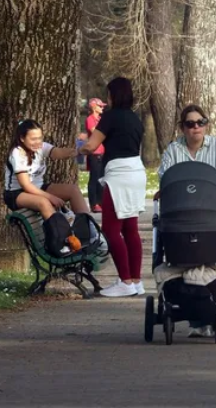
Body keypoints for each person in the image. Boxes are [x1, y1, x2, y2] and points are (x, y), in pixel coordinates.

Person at [159, 104, 216, 337]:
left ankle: (214, 313)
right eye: (190, 124)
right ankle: (197, 318)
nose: (196, 128)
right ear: (183, 128)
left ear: (206, 124)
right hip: (181, 214)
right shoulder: (174, 150)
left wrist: (209, 189)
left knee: (214, 260)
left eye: (200, 122)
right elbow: (165, 176)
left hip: (211, 213)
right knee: (182, 261)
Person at [80, 77, 146, 298]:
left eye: (108, 95)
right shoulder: (135, 119)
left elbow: (92, 144)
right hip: (137, 171)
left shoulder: (110, 117)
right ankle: (136, 280)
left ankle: (125, 281)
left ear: (114, 95)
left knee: (110, 228)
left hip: (119, 173)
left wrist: (77, 150)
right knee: (130, 228)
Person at [4, 120, 90, 219]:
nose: (38, 142)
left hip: (38, 188)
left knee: (73, 190)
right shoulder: (17, 153)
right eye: (33, 139)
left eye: (40, 138)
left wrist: (77, 151)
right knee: (43, 202)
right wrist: (50, 197)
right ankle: (61, 232)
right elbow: (26, 185)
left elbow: (57, 152)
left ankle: (88, 229)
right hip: (17, 193)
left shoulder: (41, 147)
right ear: (22, 138)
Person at [85, 98, 106, 213]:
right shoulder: (90, 119)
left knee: (101, 178)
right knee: (94, 178)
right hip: (95, 152)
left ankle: (101, 202)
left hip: (103, 152)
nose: (102, 108)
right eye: (100, 106)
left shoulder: (100, 119)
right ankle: (93, 203)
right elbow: (95, 132)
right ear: (94, 107)